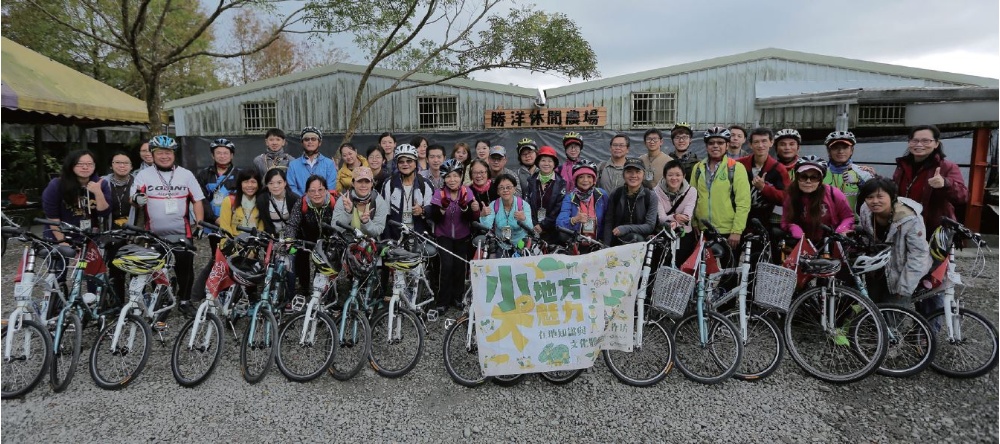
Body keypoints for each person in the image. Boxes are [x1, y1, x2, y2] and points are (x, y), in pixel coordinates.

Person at [131, 136, 204, 317]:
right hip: (153, 232)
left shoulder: (185, 174)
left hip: (181, 230)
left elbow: (197, 201)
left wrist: (200, 223)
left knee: (185, 267)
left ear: (174, 154)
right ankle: (161, 298)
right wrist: (136, 199)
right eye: (160, 153)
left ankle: (185, 301)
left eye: (168, 153)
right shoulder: (144, 174)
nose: (164, 156)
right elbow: (133, 198)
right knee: (157, 268)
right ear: (153, 155)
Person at [192, 169, 264, 302]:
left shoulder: (262, 203)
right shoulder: (229, 201)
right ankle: (200, 297)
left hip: (252, 246)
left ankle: (249, 302)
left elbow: (260, 229)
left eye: (253, 182)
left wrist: (253, 249)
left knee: (249, 279)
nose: (250, 185)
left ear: (259, 184)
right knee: (218, 271)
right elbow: (225, 227)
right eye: (246, 181)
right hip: (231, 244)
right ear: (240, 184)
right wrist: (232, 248)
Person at [857, 177, 931, 307]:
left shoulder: (909, 218)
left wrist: (905, 286)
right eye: (869, 197)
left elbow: (919, 254)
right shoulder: (865, 210)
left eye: (880, 197)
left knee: (893, 317)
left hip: (900, 272)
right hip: (876, 271)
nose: (875, 201)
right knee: (874, 311)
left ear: (892, 197)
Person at [892, 124, 968, 236]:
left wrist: (946, 183)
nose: (919, 144)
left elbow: (963, 196)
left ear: (936, 144)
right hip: (903, 226)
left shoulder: (947, 167)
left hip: (933, 231)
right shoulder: (902, 166)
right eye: (914, 140)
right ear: (909, 143)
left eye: (926, 141)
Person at [691, 127, 752, 249]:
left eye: (720, 142)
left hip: (729, 231)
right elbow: (691, 198)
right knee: (705, 267)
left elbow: (743, 202)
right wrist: (694, 222)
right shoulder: (697, 168)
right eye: (711, 143)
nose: (715, 146)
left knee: (729, 268)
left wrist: (737, 230)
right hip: (704, 229)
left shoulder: (736, 168)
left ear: (727, 145)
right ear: (706, 146)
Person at [429, 160, 475, 313]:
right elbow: (435, 218)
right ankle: (443, 300)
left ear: (461, 176)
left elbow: (471, 217)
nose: (452, 180)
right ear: (443, 178)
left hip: (463, 235)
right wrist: (441, 208)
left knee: (460, 267)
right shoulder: (439, 193)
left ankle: (458, 297)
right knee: (446, 266)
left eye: (455, 176)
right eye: (448, 177)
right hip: (444, 235)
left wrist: (466, 207)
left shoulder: (466, 192)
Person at [780, 156, 854, 244]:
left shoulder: (834, 194)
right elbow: (785, 221)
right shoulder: (791, 195)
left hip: (831, 242)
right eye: (803, 177)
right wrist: (792, 227)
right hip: (802, 243)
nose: (808, 181)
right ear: (797, 177)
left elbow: (848, 217)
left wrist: (841, 229)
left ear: (820, 179)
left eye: (814, 177)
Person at [42, 149, 112, 240]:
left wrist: (98, 193)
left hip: (89, 238)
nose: (85, 167)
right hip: (60, 236)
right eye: (80, 164)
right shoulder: (56, 185)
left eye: (90, 164)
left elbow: (104, 213)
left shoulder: (101, 183)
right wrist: (62, 241)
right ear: (71, 165)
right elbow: (52, 217)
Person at [287, 175, 338, 300]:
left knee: (324, 266)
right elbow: (293, 223)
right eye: (312, 190)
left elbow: (341, 224)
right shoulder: (302, 202)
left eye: (320, 190)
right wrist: (289, 239)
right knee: (301, 261)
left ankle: (325, 292)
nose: (316, 194)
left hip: (327, 239)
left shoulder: (335, 202)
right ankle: (304, 287)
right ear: (307, 192)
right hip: (306, 237)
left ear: (326, 190)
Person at [736, 127, 789, 231]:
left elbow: (786, 198)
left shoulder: (778, 168)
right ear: (750, 145)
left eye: (764, 141)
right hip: (739, 219)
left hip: (767, 221)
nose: (760, 145)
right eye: (756, 142)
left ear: (771, 142)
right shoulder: (739, 165)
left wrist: (764, 188)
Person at [195, 138, 240, 257]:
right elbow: (201, 199)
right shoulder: (204, 174)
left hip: (234, 223)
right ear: (212, 155)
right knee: (217, 257)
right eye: (218, 153)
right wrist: (214, 218)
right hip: (213, 224)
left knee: (237, 256)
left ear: (231, 155)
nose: (222, 156)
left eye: (225, 153)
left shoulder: (240, 174)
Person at [382, 143, 434, 241]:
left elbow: (433, 210)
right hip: (396, 238)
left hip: (419, 237)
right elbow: (385, 216)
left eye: (409, 161)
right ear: (397, 164)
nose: (405, 164)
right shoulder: (389, 183)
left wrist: (422, 210)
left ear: (415, 163)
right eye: (401, 162)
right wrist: (387, 241)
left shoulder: (425, 184)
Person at [604, 158, 658, 246]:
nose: (633, 175)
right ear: (623, 174)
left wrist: (626, 228)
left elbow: (649, 226)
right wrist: (606, 246)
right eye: (629, 171)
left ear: (643, 174)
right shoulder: (616, 194)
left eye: (638, 172)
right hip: (617, 243)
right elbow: (609, 222)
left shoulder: (650, 196)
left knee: (636, 237)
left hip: (642, 244)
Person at [557, 160, 609, 250]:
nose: (585, 180)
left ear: (594, 180)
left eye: (589, 176)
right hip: (577, 243)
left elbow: (608, 220)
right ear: (576, 180)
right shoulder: (570, 197)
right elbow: (559, 223)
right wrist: (574, 220)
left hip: (598, 243)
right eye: (581, 177)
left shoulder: (602, 194)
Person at [654, 159, 698, 263]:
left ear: (684, 176)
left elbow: (687, 216)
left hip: (684, 233)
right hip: (663, 232)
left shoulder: (691, 191)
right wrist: (675, 217)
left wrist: (676, 222)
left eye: (678, 175)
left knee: (681, 265)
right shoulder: (656, 191)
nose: (674, 178)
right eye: (670, 175)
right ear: (664, 176)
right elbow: (661, 218)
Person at [479, 173, 533, 252]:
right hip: (501, 245)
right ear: (498, 191)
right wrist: (483, 216)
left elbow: (531, 228)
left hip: (521, 245)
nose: (505, 190)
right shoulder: (493, 205)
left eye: (508, 187)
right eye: (501, 188)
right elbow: (487, 227)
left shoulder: (523, 205)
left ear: (514, 189)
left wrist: (524, 219)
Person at [823, 131, 874, 213]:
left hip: (854, 223)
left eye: (845, 147)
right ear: (829, 151)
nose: (840, 151)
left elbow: (876, 194)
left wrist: (860, 182)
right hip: (826, 223)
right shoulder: (820, 172)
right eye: (836, 147)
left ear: (852, 150)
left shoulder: (863, 172)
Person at [525, 146, 567, 245]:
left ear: (554, 164)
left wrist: (543, 225)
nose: (546, 164)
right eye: (543, 160)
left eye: (550, 161)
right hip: (533, 228)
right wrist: (535, 224)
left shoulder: (561, 183)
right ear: (538, 163)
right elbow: (527, 203)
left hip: (553, 231)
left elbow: (559, 208)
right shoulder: (531, 181)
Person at [332, 166, 388, 238]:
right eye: (359, 181)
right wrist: (347, 212)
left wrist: (366, 222)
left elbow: (377, 231)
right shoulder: (344, 200)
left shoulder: (379, 201)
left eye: (367, 181)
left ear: (371, 184)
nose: (363, 185)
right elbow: (335, 228)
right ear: (353, 183)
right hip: (346, 244)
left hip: (371, 245)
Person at [287, 127, 338, 197]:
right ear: (302, 143)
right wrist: (304, 200)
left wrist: (318, 200)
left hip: (324, 204)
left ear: (319, 142)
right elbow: (291, 187)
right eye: (306, 139)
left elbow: (331, 187)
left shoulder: (329, 164)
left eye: (313, 139)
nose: (310, 141)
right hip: (300, 204)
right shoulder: (293, 165)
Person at [256, 168, 300, 239]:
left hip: (292, 239)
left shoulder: (294, 199)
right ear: (267, 185)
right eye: (271, 183)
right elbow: (266, 224)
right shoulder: (262, 200)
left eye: (279, 182)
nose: (275, 186)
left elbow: (297, 223)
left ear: (285, 183)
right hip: (272, 238)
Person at [103, 151, 135, 229]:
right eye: (117, 162)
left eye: (126, 163)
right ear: (111, 165)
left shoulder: (139, 181)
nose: (122, 165)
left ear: (131, 166)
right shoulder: (102, 182)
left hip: (134, 229)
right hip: (108, 229)